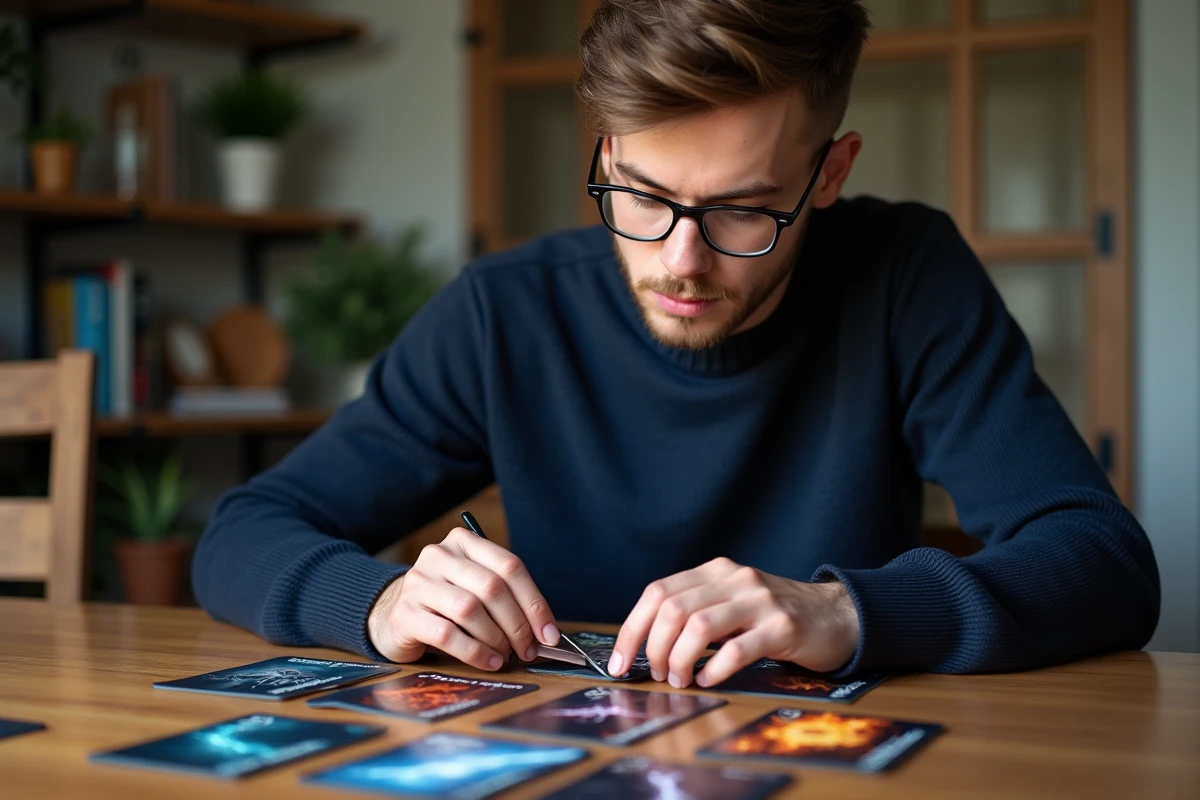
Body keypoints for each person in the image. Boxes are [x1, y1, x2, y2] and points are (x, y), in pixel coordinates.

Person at [192, 0, 1160, 689]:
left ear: (829, 173)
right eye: (645, 198)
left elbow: (1105, 561)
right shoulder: (506, 311)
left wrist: (847, 611)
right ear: (608, 153)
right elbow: (242, 530)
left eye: (743, 210)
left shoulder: (906, 274)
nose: (683, 261)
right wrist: (381, 600)